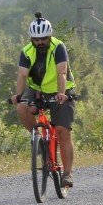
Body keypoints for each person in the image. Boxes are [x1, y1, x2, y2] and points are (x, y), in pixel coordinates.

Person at [14, 13, 77, 187]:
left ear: (50, 36)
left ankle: (67, 173)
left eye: (44, 38)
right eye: (36, 39)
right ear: (31, 38)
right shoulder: (26, 51)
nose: (40, 42)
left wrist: (62, 93)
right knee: (21, 108)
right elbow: (22, 75)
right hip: (37, 90)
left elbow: (61, 72)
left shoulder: (58, 47)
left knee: (63, 130)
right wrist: (18, 96)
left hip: (60, 90)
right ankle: (40, 141)